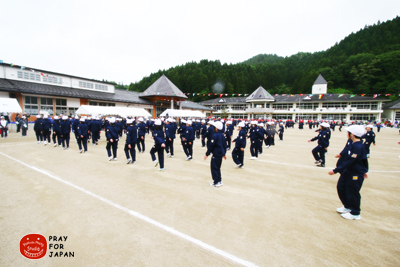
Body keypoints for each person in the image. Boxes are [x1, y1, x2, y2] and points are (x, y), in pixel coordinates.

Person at [328, 125, 368, 220]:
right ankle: (348, 206)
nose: (347, 134)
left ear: (352, 135)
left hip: (355, 173)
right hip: (348, 171)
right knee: (341, 187)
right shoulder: (352, 144)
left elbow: (350, 161)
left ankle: (355, 212)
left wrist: (336, 170)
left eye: (348, 133)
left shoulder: (358, 147)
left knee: (352, 191)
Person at [204, 121, 227, 187]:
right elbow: (224, 145)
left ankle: (216, 182)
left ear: (216, 128)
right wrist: (224, 154)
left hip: (216, 154)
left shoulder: (215, 135)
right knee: (218, 168)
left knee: (214, 168)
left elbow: (211, 145)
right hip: (220, 154)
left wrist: (207, 154)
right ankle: (219, 180)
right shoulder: (222, 135)